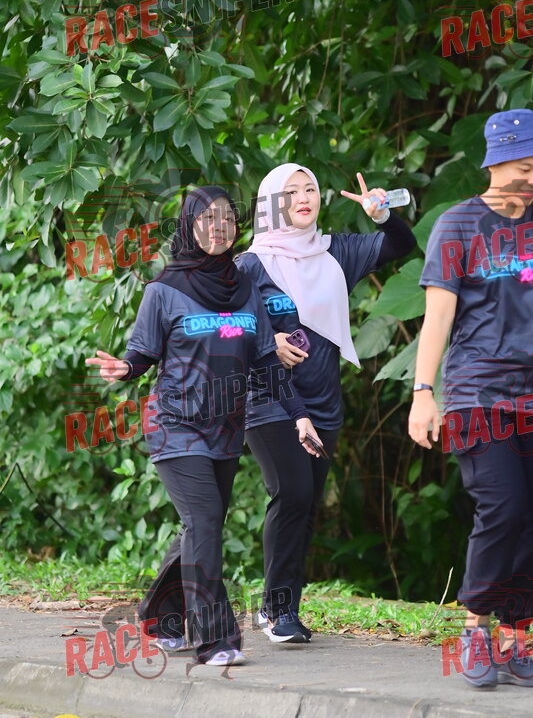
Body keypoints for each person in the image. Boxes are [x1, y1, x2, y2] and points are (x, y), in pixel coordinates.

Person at [86, 186, 322, 667]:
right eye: (208, 219)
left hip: (226, 428)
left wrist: (299, 414)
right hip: (175, 424)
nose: (219, 228)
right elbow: (142, 353)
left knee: (199, 527)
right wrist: (124, 369)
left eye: (228, 219)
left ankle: (160, 618)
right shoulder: (164, 289)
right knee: (206, 521)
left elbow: (266, 361)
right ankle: (216, 639)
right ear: (190, 225)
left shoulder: (244, 287)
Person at [235, 163, 416, 643]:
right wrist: (267, 340)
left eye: (310, 189)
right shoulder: (250, 265)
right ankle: (279, 612)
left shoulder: (337, 251)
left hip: (323, 400)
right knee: (292, 493)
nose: (303, 197)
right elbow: (225, 328)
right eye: (291, 191)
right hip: (268, 398)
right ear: (271, 203)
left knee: (307, 503)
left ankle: (280, 606)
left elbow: (401, 245)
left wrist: (383, 216)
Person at [408, 108, 533, 688]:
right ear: (497, 163)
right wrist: (423, 392)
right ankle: (475, 628)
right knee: (503, 506)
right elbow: (437, 318)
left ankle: (518, 635)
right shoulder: (458, 225)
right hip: (477, 393)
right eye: (525, 165)